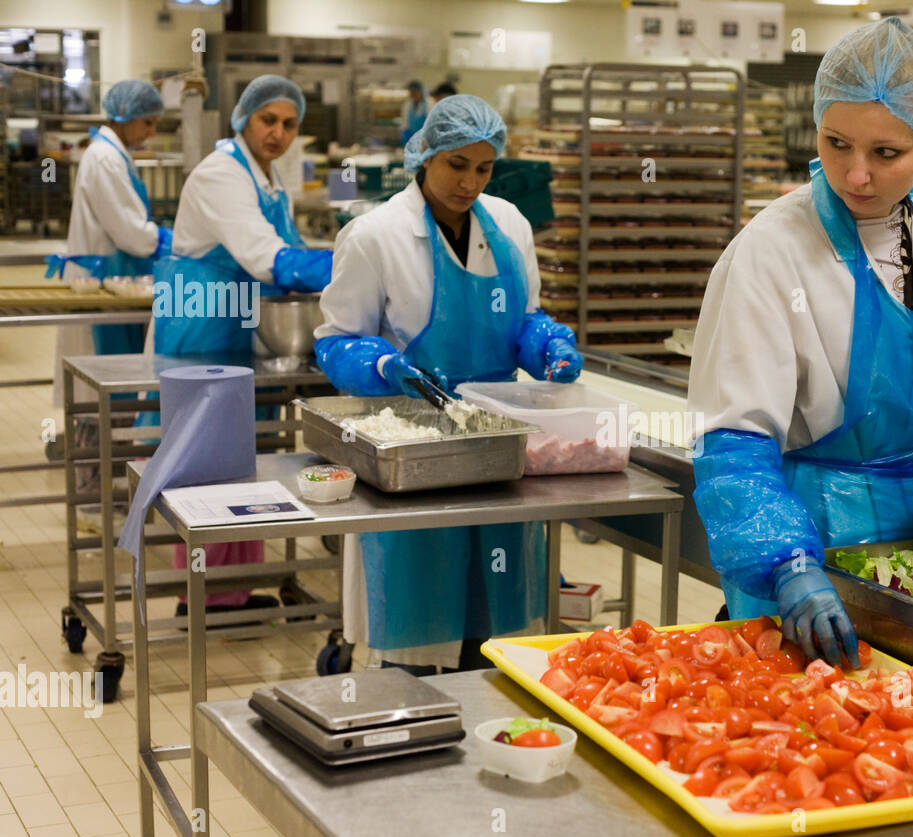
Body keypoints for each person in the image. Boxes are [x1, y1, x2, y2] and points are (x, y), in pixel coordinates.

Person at [689, 19, 913, 668]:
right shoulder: (770, 252)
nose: (857, 175)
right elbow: (733, 443)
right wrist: (785, 563)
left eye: (887, 154)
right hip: (811, 563)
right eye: (836, 143)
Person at [314, 95, 582, 674]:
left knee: (498, 617)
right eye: (457, 165)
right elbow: (335, 341)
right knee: (418, 608)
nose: (470, 182)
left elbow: (525, 318)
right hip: (409, 450)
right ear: (426, 155)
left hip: (495, 441)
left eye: (484, 168)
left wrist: (546, 345)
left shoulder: (509, 224)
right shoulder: (374, 234)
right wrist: (383, 365)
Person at [151, 74, 333, 615]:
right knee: (202, 460)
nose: (278, 132)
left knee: (237, 457)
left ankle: (234, 587)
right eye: (267, 120)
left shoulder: (271, 179)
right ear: (243, 119)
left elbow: (289, 246)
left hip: (235, 322)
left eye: (289, 124)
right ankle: (204, 594)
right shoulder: (221, 173)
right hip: (201, 319)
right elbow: (267, 258)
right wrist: (346, 264)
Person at [47, 79, 172, 409]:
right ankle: (100, 456)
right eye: (148, 122)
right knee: (103, 381)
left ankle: (108, 452)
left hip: (110, 278)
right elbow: (129, 232)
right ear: (125, 114)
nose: (152, 131)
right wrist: (167, 240)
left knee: (112, 381)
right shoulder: (105, 158)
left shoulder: (114, 154)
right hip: (101, 281)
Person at [400, 80, 428, 146]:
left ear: (421, 92)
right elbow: (404, 123)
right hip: (410, 137)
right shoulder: (407, 105)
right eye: (411, 93)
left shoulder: (429, 104)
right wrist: (405, 134)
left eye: (415, 92)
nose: (413, 95)